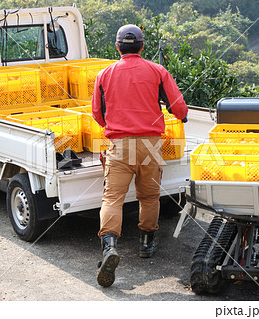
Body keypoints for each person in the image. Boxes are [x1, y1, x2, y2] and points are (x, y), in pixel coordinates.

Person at [91, 24, 188, 287]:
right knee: (149, 196)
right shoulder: (157, 71)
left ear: (117, 46)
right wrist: (183, 116)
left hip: (120, 145)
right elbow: (177, 105)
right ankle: (147, 243)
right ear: (142, 47)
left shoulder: (105, 74)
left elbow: (98, 114)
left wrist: (113, 127)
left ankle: (109, 247)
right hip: (150, 145)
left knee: (112, 197)